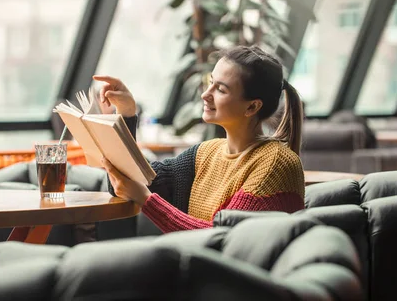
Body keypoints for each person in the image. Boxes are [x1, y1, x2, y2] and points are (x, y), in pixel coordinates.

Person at [93, 45, 305, 234]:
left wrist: (147, 200)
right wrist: (127, 114)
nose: (205, 94)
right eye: (210, 82)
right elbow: (135, 181)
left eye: (220, 89)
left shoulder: (275, 163)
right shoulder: (207, 153)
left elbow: (225, 240)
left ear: (252, 107)